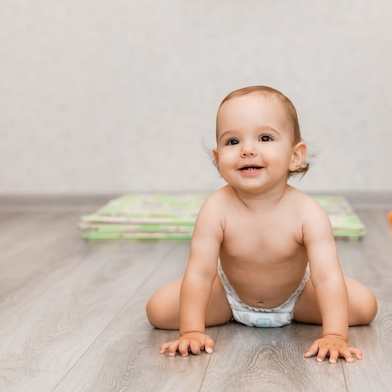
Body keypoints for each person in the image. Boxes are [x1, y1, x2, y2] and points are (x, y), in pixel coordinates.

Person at [146, 85, 377, 364]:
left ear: (295, 156)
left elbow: (326, 278)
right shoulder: (216, 209)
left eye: (265, 137)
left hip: (297, 297)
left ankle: (319, 321)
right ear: (218, 160)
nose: (247, 150)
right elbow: (199, 274)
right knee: (158, 310)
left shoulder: (308, 213)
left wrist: (335, 336)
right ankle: (219, 316)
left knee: (365, 305)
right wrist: (192, 331)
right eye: (232, 142)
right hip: (230, 297)